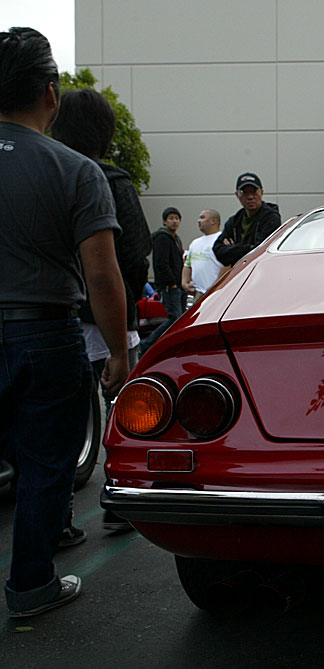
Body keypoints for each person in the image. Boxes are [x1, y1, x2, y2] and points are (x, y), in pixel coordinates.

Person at [0, 27, 127, 618]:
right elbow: (102, 276)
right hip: (46, 333)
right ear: (51, 94)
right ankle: (31, 587)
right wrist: (120, 354)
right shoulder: (77, 171)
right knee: (44, 463)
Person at [50, 87, 152, 536]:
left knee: (62, 419)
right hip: (110, 315)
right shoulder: (111, 180)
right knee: (121, 412)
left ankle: (57, 520)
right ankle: (118, 499)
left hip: (58, 312)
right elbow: (134, 252)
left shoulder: (45, 171)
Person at [139, 207, 185, 352]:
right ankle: (147, 344)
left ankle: (172, 346)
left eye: (177, 218)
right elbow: (161, 262)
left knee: (179, 319)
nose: (174, 221)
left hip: (178, 284)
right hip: (169, 285)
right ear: (165, 221)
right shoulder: (162, 237)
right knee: (175, 318)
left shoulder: (175, 238)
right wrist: (170, 282)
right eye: (171, 218)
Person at [213, 172, 281, 267]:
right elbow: (218, 252)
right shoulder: (234, 221)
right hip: (239, 273)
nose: (250, 197)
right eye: (245, 193)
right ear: (237, 195)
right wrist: (249, 247)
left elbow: (260, 252)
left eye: (254, 192)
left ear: (261, 192)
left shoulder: (271, 218)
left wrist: (233, 248)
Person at [182, 209, 224, 302]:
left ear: (213, 221)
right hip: (198, 294)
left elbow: (228, 265)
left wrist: (216, 286)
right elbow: (188, 264)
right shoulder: (195, 243)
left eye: (202, 217)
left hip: (217, 293)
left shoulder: (222, 240)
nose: (199, 221)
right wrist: (184, 282)